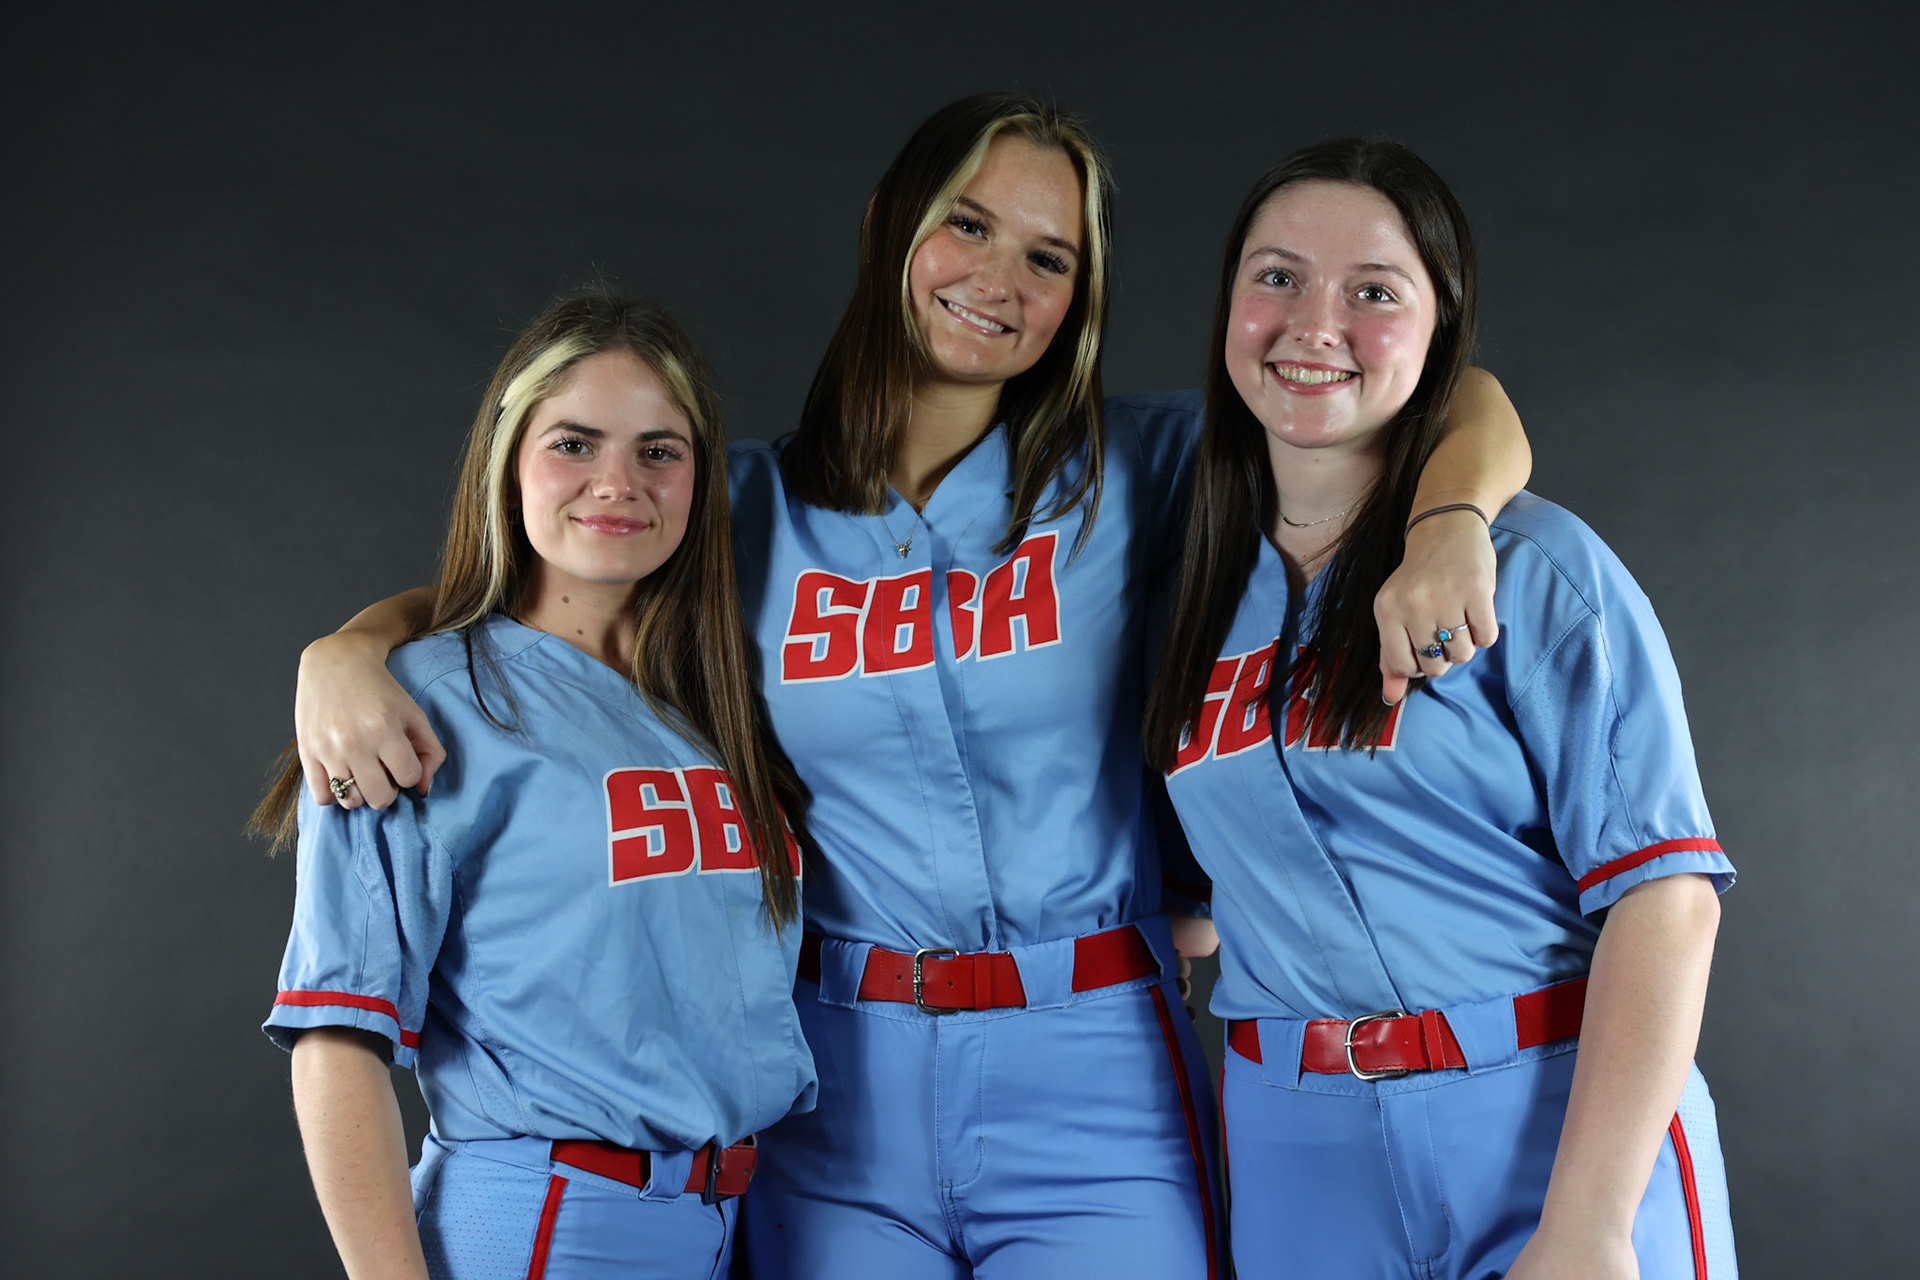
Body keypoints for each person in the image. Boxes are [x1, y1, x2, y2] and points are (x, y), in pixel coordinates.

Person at [290, 95, 1533, 1279]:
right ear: (891, 220)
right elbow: (533, 584)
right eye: (970, 224)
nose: (1000, 280)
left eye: (1051, 259)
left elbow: (1452, 390)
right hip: (844, 1079)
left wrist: (1455, 520)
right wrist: (348, 646)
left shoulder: (1143, 468)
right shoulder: (740, 507)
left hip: (1091, 1055)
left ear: (1080, 299)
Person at [1145, 138, 1737, 1279]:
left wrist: (1590, 1224)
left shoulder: (1536, 568)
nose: (1315, 324)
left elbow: (1667, 899)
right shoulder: (1174, 588)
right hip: (1298, 1147)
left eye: (1374, 292)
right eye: (1276, 277)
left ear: (1438, 329)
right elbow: (1195, 898)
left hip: (1544, 1116)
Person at [255, 290, 816, 1280]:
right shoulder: (412, 702)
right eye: (574, 442)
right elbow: (335, 1039)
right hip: (553, 1223)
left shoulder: (720, 693)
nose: (617, 482)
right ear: (508, 461)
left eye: (658, 449)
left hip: (740, 1218)